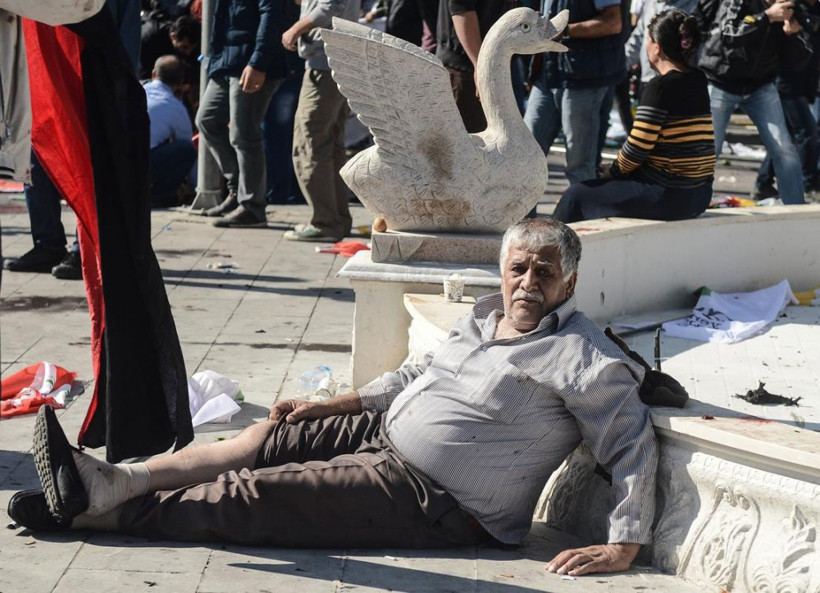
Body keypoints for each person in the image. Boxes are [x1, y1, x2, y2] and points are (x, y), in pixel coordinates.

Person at [10, 218, 659, 578]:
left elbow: (629, 443)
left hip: (443, 501)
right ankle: (117, 480)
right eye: (519, 266)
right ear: (502, 268)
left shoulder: (587, 358)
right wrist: (336, 404)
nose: (528, 280)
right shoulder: (485, 315)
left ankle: (92, 515)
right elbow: (414, 373)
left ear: (569, 279)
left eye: (545, 270)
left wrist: (622, 545)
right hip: (380, 434)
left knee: (265, 494)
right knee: (260, 440)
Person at [553, 9, 714, 223]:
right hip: (700, 194)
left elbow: (637, 149)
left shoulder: (660, 87)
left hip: (669, 196)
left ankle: (546, 252)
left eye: (647, 40)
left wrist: (612, 170)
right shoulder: (698, 79)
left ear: (656, 48)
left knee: (576, 195)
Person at [694, 0, 810, 205]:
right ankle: (693, 204)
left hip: (760, 86)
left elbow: (801, 60)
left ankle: (794, 208)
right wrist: (766, 17)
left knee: (784, 149)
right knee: (710, 149)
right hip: (720, 81)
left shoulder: (790, 9)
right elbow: (729, 34)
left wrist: (791, 36)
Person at [197, 0, 294, 227]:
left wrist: (258, 62)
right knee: (207, 120)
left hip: (252, 62)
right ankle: (237, 190)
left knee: (244, 134)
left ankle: (252, 207)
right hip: (226, 62)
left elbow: (271, 16)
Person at [280, 0, 361, 242]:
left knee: (310, 143)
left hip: (325, 64)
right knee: (329, 144)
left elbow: (331, 6)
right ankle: (337, 219)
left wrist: (296, 28)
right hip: (335, 61)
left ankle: (326, 223)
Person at [523, 0, 627, 185]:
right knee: (525, 157)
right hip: (548, 74)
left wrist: (566, 30)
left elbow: (613, 22)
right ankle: (523, 214)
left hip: (583, 78)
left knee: (579, 167)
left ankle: (582, 213)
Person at [436, 0, 507, 133]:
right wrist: (481, 66)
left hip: (492, 67)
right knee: (466, 146)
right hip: (465, 70)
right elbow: (461, 9)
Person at [145, 55, 197, 207]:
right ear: (180, 83)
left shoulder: (136, 90)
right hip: (143, 166)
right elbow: (188, 149)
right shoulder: (177, 108)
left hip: (115, 161)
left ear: (154, 74)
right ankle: (159, 197)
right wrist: (195, 188)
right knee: (186, 150)